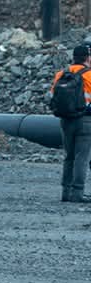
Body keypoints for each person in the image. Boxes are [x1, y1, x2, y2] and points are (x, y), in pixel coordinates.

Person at [53, 42, 91, 203]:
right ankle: (78, 193)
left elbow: (53, 96)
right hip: (86, 120)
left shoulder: (61, 74)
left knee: (68, 156)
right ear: (88, 58)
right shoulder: (89, 75)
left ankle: (66, 192)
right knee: (82, 157)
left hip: (65, 120)